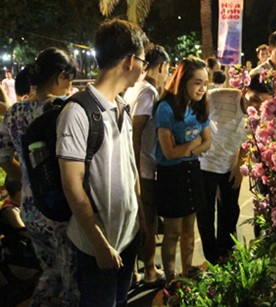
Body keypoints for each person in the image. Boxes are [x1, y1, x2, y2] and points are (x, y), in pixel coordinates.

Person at [56, 19, 149, 306]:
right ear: (131, 60)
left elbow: (130, 171)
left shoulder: (122, 106)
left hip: (127, 239)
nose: (144, 70)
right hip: (98, 248)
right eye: (144, 61)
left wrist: (141, 223)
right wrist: (99, 244)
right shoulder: (77, 112)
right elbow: (72, 186)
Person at [0, 48, 79, 306]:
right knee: (71, 280)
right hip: (59, 208)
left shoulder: (14, 113)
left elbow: (2, 157)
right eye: (69, 79)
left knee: (49, 270)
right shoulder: (62, 110)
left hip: (31, 209)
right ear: (60, 76)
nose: (70, 87)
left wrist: (27, 175)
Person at [197, 74, 273, 264]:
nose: (256, 106)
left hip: (230, 164)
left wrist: (240, 165)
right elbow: (196, 111)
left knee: (230, 210)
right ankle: (212, 257)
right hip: (205, 162)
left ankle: (227, 253)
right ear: (245, 90)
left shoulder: (262, 114)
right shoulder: (219, 96)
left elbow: (251, 142)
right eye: (254, 99)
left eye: (263, 103)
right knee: (205, 214)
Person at [153, 56, 211, 285]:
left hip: (192, 171)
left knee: (189, 230)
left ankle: (187, 274)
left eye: (205, 83)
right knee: (173, 232)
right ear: (183, 80)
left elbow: (208, 142)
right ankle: (170, 278)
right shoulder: (165, 109)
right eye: (197, 82)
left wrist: (187, 149)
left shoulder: (199, 106)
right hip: (171, 176)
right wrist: (193, 146)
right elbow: (168, 152)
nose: (202, 88)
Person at [123, 44, 170, 288]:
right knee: (147, 221)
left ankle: (132, 272)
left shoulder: (134, 88)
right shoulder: (148, 91)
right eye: (167, 69)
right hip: (143, 168)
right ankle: (150, 270)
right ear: (161, 66)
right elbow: (136, 131)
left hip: (135, 167)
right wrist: (135, 170)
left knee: (136, 221)